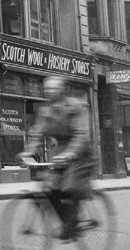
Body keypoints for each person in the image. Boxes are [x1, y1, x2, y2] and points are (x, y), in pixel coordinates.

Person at [19, 75, 96, 242]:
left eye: (54, 88)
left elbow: (80, 135)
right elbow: (37, 133)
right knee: (50, 190)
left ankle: (72, 224)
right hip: (60, 155)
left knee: (69, 187)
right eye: (47, 89)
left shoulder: (76, 107)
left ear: (62, 90)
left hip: (81, 155)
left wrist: (69, 154)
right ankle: (68, 224)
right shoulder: (45, 111)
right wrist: (28, 151)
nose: (50, 92)